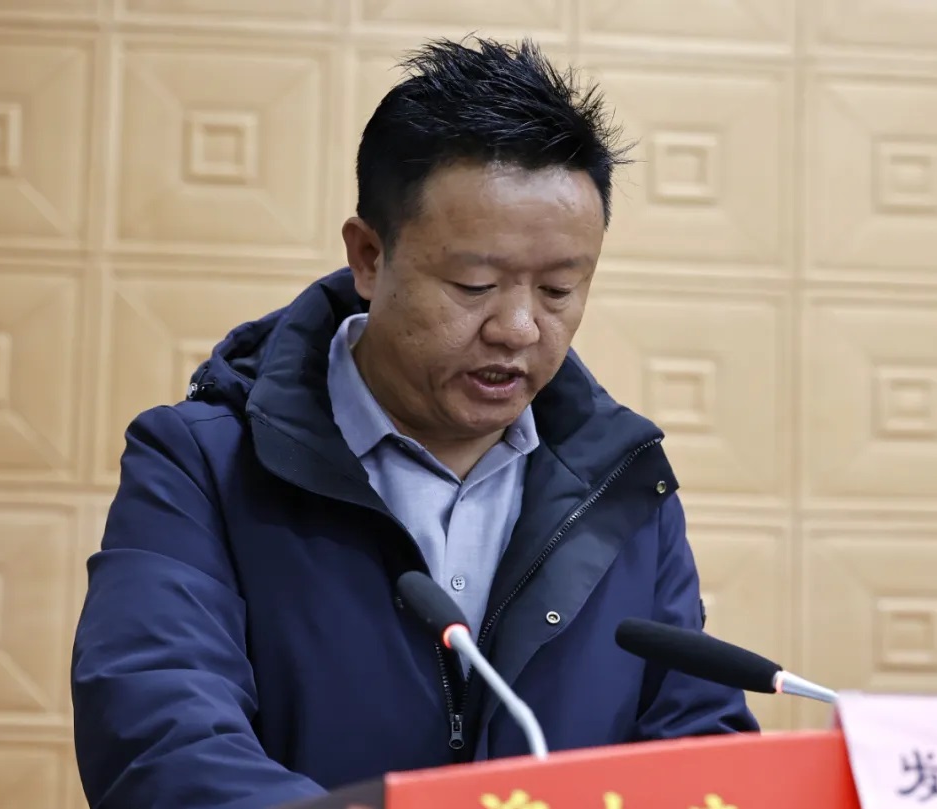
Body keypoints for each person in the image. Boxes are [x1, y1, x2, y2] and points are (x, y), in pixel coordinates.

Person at [70, 36, 759, 809]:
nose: (519, 328)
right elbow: (161, 748)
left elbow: (700, 751)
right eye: (475, 283)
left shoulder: (625, 488)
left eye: (559, 290)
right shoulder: (201, 464)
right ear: (369, 256)